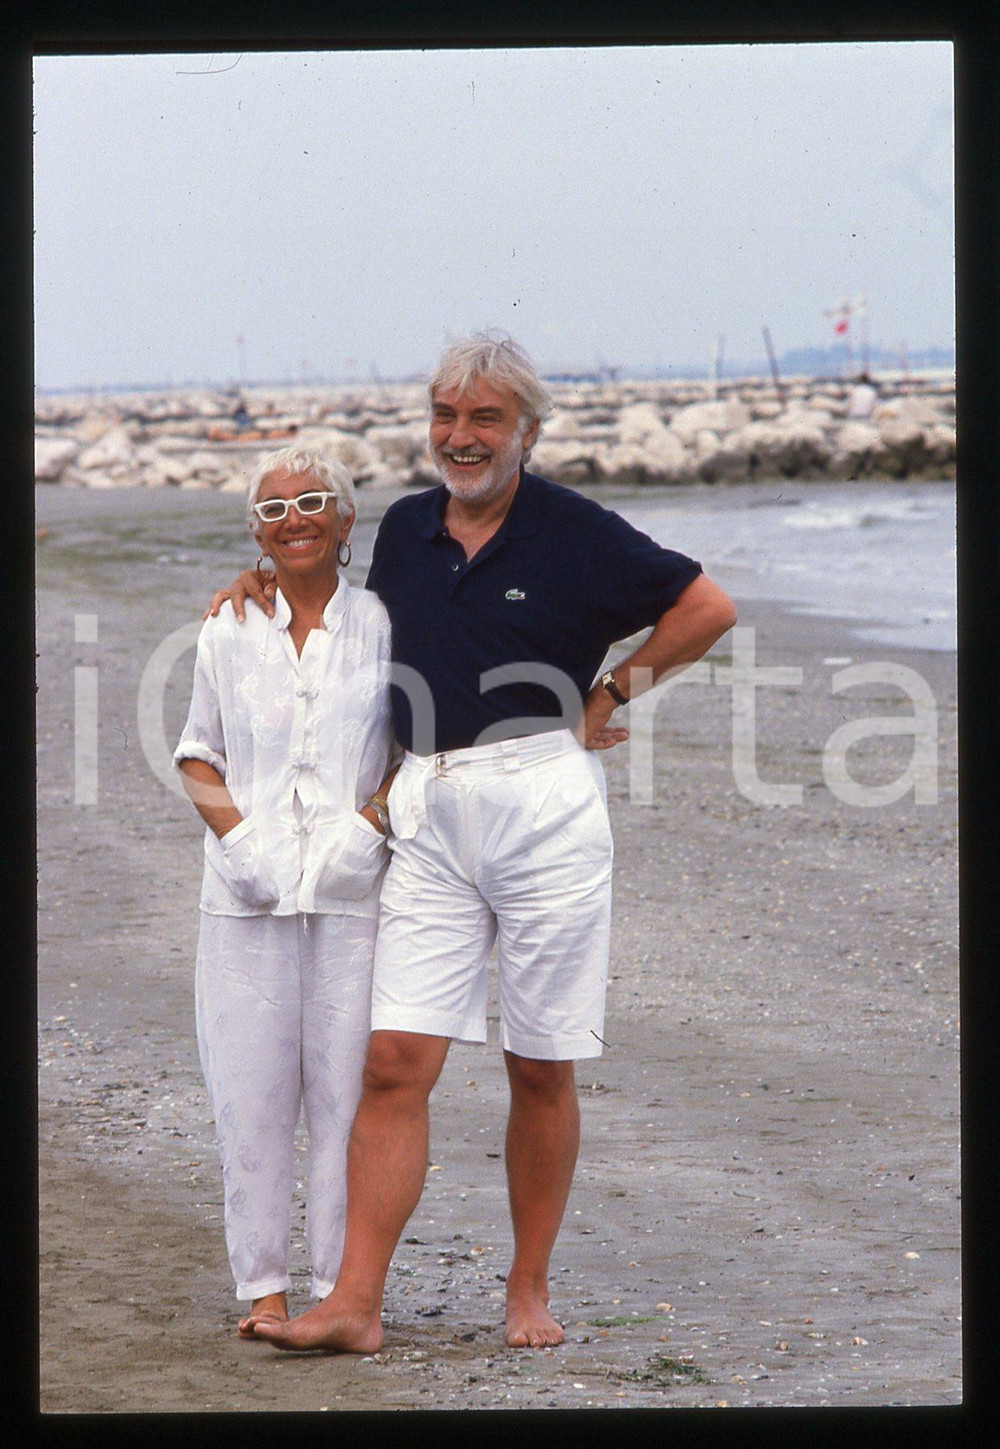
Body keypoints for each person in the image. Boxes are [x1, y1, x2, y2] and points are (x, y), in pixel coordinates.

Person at [210, 332, 738, 1352]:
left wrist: (612, 688)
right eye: (446, 417)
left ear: (527, 431)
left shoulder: (578, 531)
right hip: (428, 804)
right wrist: (258, 576)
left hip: (542, 798)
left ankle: (526, 1291)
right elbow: (334, 592)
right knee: (396, 1059)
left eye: (484, 418)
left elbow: (705, 606)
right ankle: (355, 1305)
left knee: (538, 1063)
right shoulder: (406, 528)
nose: (460, 437)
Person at [175, 446, 398, 1337]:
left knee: (350, 1099)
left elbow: (419, 747)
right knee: (250, 1094)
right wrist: (241, 842)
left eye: (313, 501)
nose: (294, 518)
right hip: (245, 900)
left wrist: (366, 828)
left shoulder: (387, 623)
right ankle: (263, 1287)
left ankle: (339, 1291)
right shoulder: (227, 627)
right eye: (273, 509)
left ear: (346, 520)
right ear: (256, 532)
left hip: (356, 894)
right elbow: (197, 752)